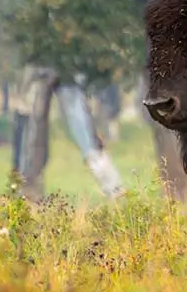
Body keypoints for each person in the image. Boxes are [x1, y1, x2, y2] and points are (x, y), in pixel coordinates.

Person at [11, 64, 126, 202]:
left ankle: (113, 187)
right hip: (42, 62)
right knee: (31, 125)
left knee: (82, 129)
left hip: (62, 63)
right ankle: (25, 191)